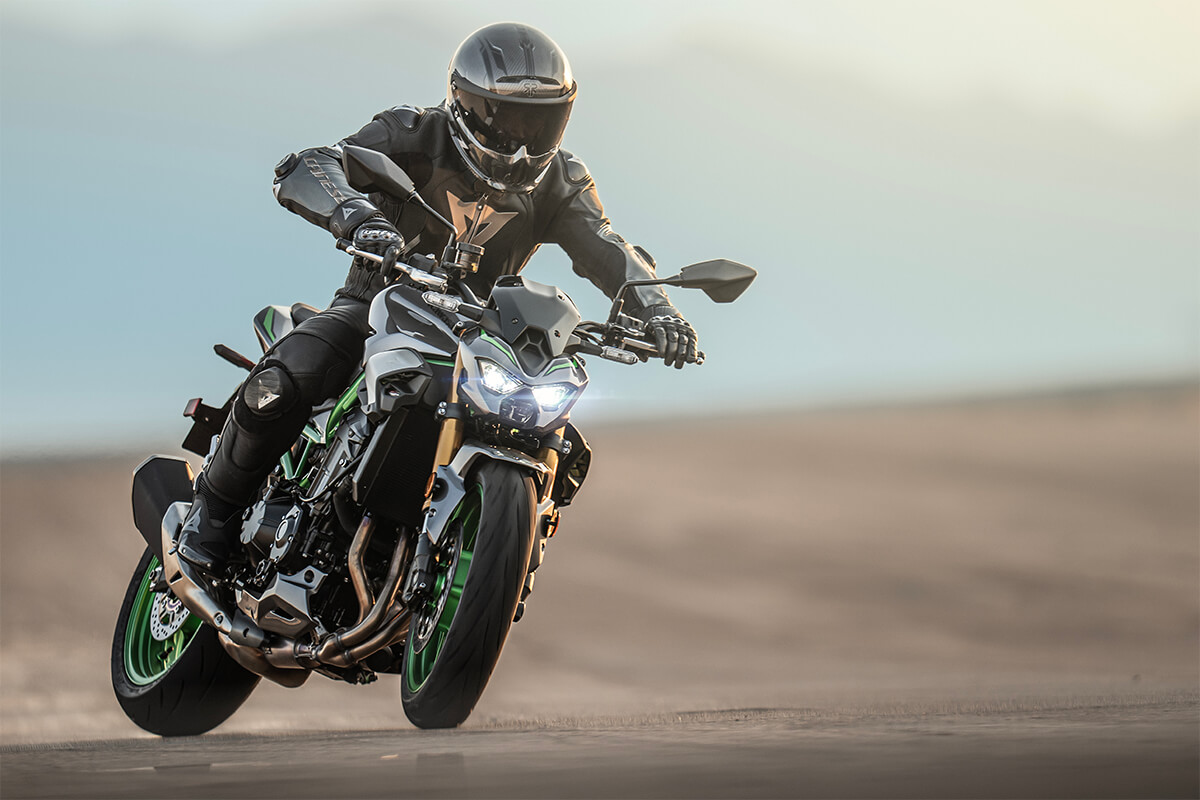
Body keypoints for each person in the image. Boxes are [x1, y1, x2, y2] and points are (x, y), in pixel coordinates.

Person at [177, 22, 698, 574]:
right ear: (466, 105)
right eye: (505, 118)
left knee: (564, 452)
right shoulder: (412, 134)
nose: (520, 140)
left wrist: (659, 309)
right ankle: (210, 523)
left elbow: (605, 246)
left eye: (538, 122)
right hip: (380, 305)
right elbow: (314, 164)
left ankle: (479, 569)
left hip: (485, 337)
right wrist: (357, 217)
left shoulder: (560, 180)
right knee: (297, 369)